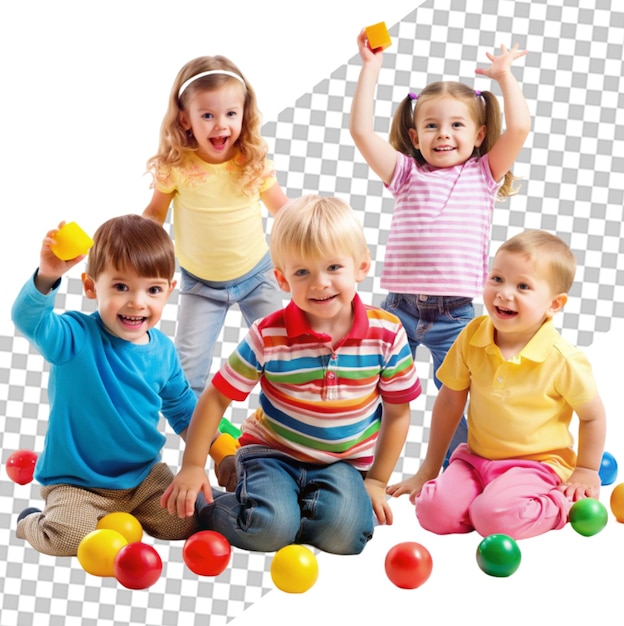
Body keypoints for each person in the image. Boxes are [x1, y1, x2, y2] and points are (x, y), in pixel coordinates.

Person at [161, 195, 423, 554]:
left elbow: (397, 413)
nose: (320, 283)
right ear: (282, 280)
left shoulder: (387, 333)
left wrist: (377, 481)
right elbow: (216, 396)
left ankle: (287, 511)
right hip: (272, 454)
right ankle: (218, 507)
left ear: (361, 267)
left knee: (345, 537)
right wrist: (192, 465)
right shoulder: (269, 335)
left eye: (333, 268)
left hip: (342, 464)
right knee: (268, 532)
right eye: (303, 272)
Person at [350, 31, 531, 472]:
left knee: (462, 396)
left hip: (455, 315)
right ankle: (352, 463)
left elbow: (521, 127)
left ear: (479, 133)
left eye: (456, 125)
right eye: (431, 125)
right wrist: (370, 66)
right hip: (399, 311)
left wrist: (504, 78)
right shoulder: (406, 173)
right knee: (373, 390)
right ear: (414, 134)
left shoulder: (483, 173)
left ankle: (465, 469)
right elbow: (360, 131)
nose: (443, 134)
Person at [395, 230, 606, 540]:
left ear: (554, 304)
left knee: (492, 519)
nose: (504, 293)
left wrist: (587, 469)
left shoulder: (563, 359)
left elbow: (593, 415)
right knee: (432, 511)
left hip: (535, 465)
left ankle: (555, 503)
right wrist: (429, 468)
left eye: (523, 286)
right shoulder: (472, 335)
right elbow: (450, 401)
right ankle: (486, 504)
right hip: (476, 459)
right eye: (496, 279)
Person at [11, 214, 199, 556]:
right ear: (90, 286)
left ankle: (118, 515)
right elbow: (28, 319)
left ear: (169, 291)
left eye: (152, 289)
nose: (137, 302)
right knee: (68, 538)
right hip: (77, 482)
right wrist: (48, 275)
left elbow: (184, 408)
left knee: (186, 522)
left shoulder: (163, 351)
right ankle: (30, 523)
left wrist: (220, 448)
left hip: (143, 477)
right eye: (120, 287)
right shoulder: (73, 337)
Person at [143, 55, 289, 397]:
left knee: (282, 357)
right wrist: (134, 241)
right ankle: (192, 437)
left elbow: (282, 209)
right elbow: (154, 213)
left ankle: (285, 424)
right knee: (187, 369)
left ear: (244, 114)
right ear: (185, 119)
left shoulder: (251, 161)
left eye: (230, 114)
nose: (220, 125)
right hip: (200, 284)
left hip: (257, 276)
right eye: (207, 115)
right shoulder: (176, 164)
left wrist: (313, 223)